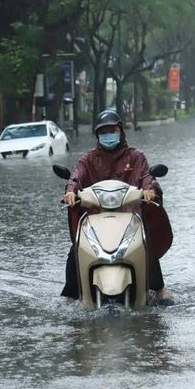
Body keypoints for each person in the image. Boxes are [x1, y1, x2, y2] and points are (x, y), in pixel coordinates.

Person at [61, 109, 173, 305]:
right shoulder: (88, 159)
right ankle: (71, 294)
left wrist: (149, 190)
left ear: (121, 131)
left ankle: (159, 288)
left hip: (130, 215)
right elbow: (76, 176)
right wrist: (71, 190)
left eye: (112, 130)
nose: (108, 135)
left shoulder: (135, 157)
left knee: (146, 242)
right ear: (97, 135)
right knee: (76, 249)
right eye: (103, 131)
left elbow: (147, 176)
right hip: (96, 216)